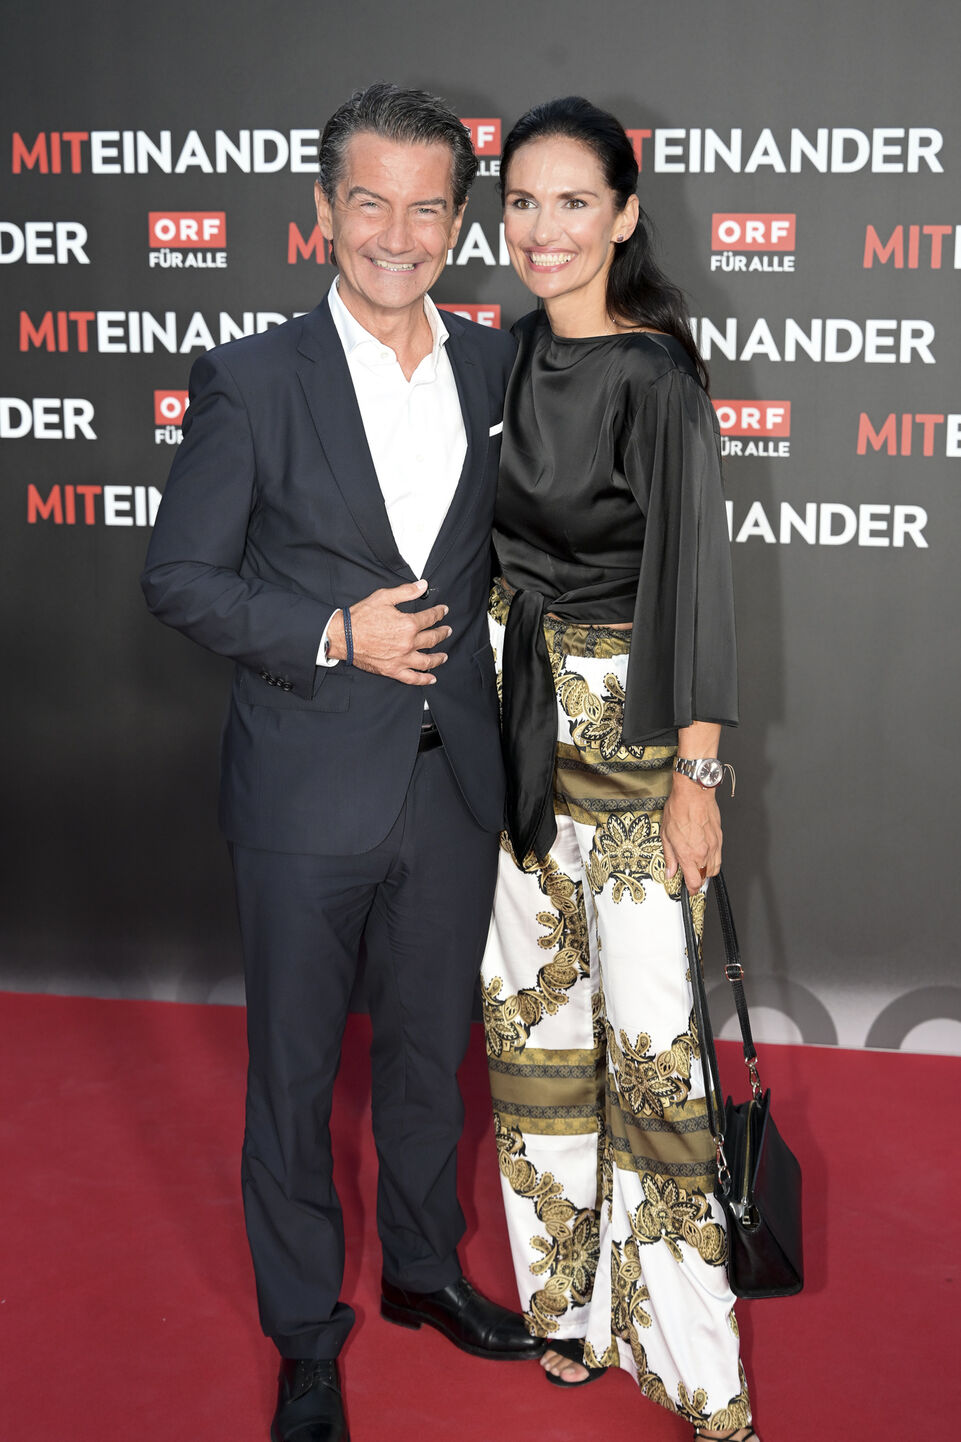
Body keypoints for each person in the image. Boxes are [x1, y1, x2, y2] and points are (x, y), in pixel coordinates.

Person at [142, 82, 543, 1442]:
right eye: (368, 202)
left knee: (431, 1059)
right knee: (295, 1074)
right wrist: (330, 631)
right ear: (322, 211)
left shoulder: (495, 368)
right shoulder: (253, 378)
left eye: (426, 209)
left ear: (457, 223)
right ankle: (304, 1333)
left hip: (452, 784)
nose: (395, 234)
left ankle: (424, 1268)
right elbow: (181, 577)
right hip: (303, 786)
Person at [480, 98, 758, 1440]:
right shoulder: (502, 356)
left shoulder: (654, 377)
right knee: (533, 1028)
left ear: (625, 215)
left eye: (573, 202)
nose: (543, 229)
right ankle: (569, 1309)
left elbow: (694, 579)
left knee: (649, 1045)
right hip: (514, 721)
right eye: (522, 202)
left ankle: (696, 1367)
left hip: (636, 738)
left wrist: (699, 774)